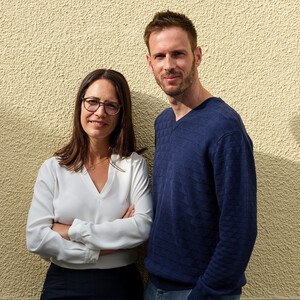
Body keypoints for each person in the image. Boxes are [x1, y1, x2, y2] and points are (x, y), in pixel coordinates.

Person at [143, 11, 257, 300]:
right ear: (149, 62)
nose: (169, 65)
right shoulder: (163, 123)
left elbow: (239, 228)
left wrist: (206, 293)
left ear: (197, 55)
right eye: (159, 56)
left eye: (178, 54)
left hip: (198, 290)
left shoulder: (223, 125)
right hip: (155, 285)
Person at [26, 69, 153, 300]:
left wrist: (71, 230)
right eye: (92, 102)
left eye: (111, 105)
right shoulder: (53, 168)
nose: (100, 112)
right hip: (64, 285)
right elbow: (36, 238)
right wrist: (104, 248)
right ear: (80, 105)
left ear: (121, 112)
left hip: (120, 286)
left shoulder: (133, 165)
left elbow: (141, 228)